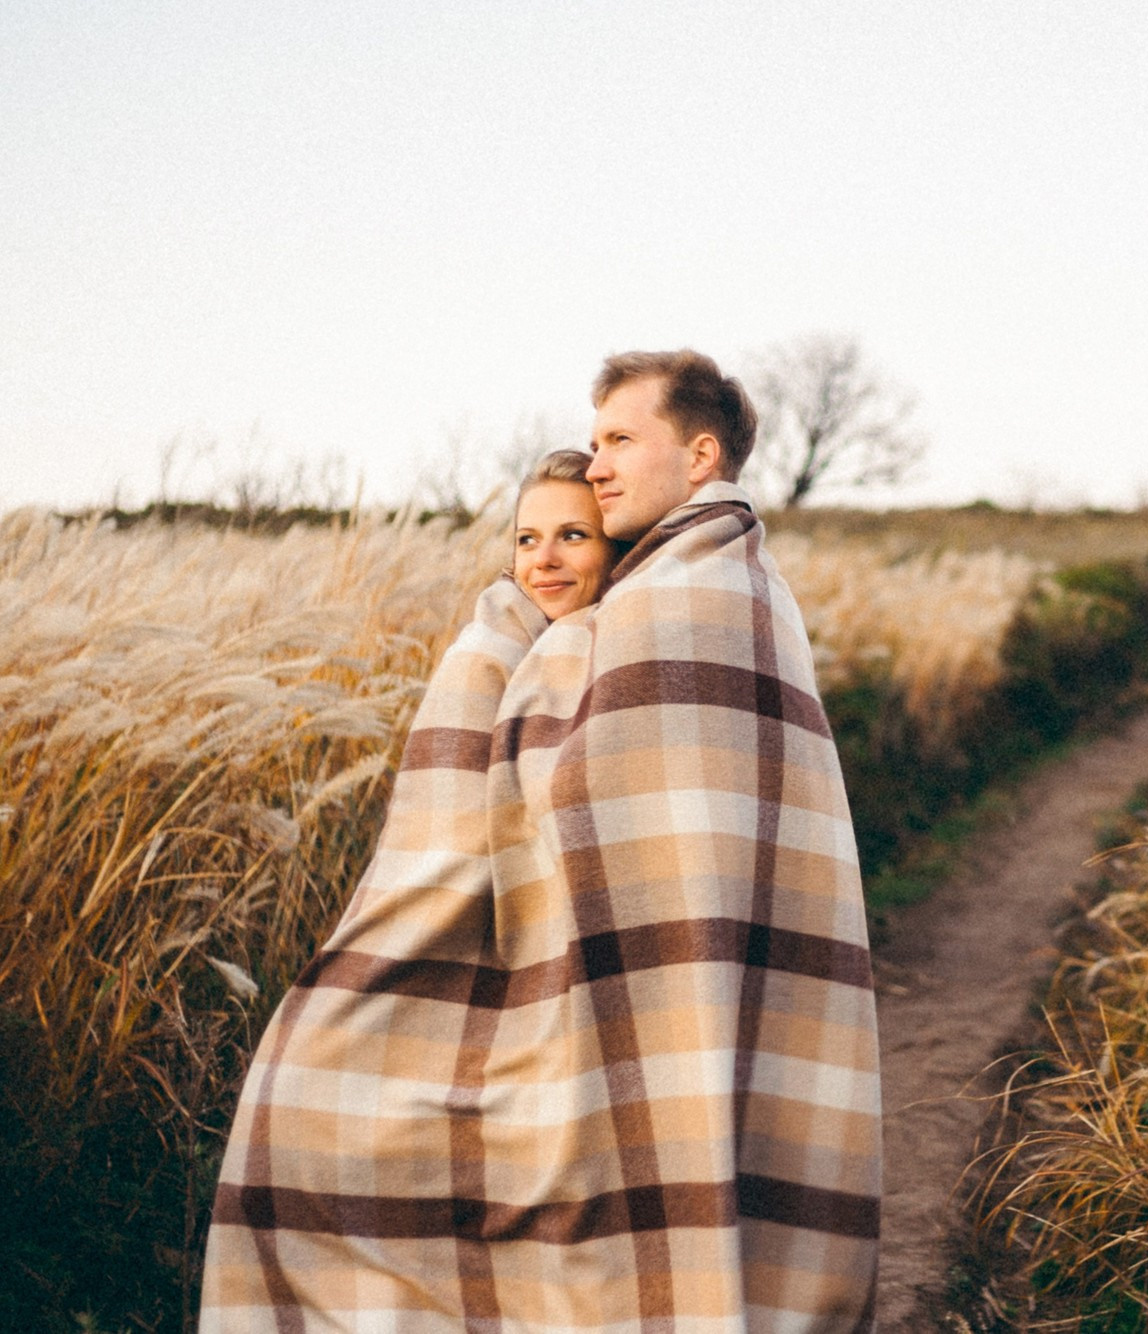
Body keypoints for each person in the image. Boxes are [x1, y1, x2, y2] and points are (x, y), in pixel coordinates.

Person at [201, 354, 882, 1331]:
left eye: (619, 439)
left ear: (698, 452)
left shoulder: (698, 593)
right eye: (590, 441)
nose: (600, 463)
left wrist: (541, 660)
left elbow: (644, 793)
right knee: (307, 1103)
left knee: (676, 1165)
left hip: (664, 968)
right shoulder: (624, 597)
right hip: (582, 956)